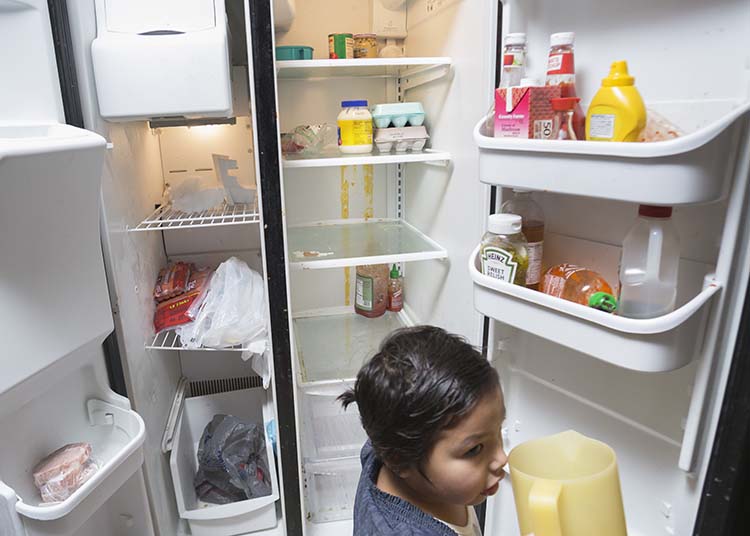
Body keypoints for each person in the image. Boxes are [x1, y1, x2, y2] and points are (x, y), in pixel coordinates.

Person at [340, 326, 507, 535]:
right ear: (399, 459)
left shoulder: (386, 446)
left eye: (499, 428)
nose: (502, 458)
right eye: (474, 449)